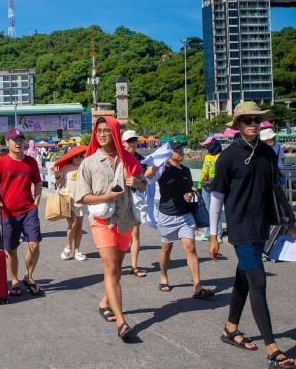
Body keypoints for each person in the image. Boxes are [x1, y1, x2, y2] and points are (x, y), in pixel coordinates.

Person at [209, 101, 296, 369]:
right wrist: (213, 235)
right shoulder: (228, 157)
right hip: (240, 227)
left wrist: (290, 220)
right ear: (237, 124)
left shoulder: (267, 153)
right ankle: (272, 349)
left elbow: (276, 188)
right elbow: (216, 197)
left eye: (256, 120)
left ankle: (230, 328)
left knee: (244, 279)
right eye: (247, 120)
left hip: (262, 225)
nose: (253, 124)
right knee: (258, 282)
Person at [75, 117, 146, 342]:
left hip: (124, 219)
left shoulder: (128, 159)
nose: (102, 134)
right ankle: (121, 322)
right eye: (99, 131)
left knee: (118, 267)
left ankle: (104, 302)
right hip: (101, 221)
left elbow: (143, 184)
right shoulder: (89, 162)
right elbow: (81, 197)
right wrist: (106, 197)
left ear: (115, 133)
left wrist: (136, 183)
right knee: (111, 267)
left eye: (107, 130)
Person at [146, 141, 214, 298]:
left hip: (185, 215)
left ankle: (197, 286)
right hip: (167, 215)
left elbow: (189, 189)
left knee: (190, 248)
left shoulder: (186, 170)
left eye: (182, 149)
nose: (181, 152)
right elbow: (148, 176)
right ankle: (163, 276)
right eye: (177, 149)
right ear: (169, 153)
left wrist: (189, 194)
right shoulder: (163, 169)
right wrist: (157, 162)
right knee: (166, 248)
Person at [0, 129, 43, 297]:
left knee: (34, 244)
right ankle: (14, 281)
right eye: (14, 140)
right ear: (7, 142)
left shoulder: (31, 162)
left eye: (20, 140)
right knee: (10, 249)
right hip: (8, 212)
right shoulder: (1, 163)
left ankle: (28, 276)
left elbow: (38, 183)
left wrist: (36, 203)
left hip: (28, 210)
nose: (18, 143)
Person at [53, 145, 88, 262]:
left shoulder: (85, 167)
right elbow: (59, 184)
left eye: (81, 156)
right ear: (71, 157)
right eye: (76, 156)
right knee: (73, 224)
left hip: (82, 200)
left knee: (80, 226)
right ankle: (68, 247)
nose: (79, 158)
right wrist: (57, 175)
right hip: (69, 200)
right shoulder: (65, 168)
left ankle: (77, 250)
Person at [121, 130, 147, 277]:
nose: (132, 143)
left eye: (134, 140)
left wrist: (137, 182)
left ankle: (134, 266)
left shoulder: (141, 160)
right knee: (120, 232)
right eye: (129, 141)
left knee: (135, 232)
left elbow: (144, 184)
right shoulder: (117, 157)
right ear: (123, 143)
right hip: (119, 199)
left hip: (135, 199)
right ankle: (116, 264)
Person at [196, 138, 223, 242]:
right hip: (207, 184)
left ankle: (216, 234)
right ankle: (208, 234)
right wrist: (199, 185)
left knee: (214, 210)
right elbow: (204, 171)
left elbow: (221, 172)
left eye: (208, 145)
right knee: (208, 210)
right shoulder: (209, 156)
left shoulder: (220, 156)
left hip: (214, 184)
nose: (207, 147)